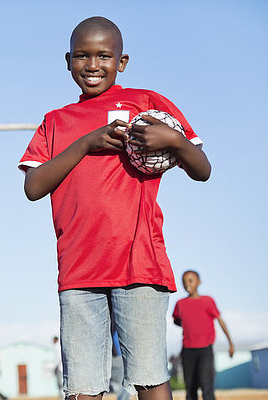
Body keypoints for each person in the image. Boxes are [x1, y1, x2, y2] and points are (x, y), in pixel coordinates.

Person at [18, 16, 211, 400]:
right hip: (78, 271)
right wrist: (85, 144)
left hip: (139, 263)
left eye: (104, 56)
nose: (93, 65)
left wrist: (174, 139)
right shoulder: (56, 122)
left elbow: (202, 169)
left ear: (121, 61)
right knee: (83, 388)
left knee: (149, 378)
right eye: (82, 56)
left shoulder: (146, 103)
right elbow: (33, 187)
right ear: (68, 60)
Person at [173, 270, 235, 400]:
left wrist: (230, 343)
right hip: (187, 350)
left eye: (190, 280)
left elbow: (221, 321)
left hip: (205, 350)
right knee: (190, 388)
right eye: (184, 282)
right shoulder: (180, 304)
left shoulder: (207, 301)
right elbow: (177, 320)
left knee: (206, 385)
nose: (187, 284)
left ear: (199, 282)